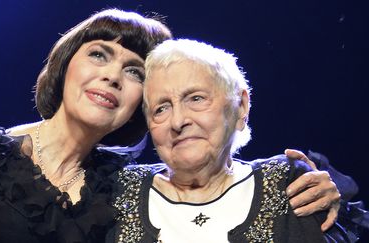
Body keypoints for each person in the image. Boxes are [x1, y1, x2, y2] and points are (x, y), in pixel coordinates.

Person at [0, 9, 341, 243]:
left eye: (132, 71)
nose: (112, 76)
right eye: (99, 54)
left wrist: (325, 192)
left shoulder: (120, 182)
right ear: (66, 64)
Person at [108, 39, 357, 242]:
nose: (178, 121)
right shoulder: (117, 190)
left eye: (195, 98)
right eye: (161, 109)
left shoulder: (288, 185)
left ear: (241, 107)